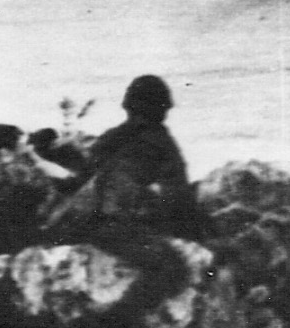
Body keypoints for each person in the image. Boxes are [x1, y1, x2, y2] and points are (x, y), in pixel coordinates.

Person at [29, 74, 203, 239]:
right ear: (163, 108)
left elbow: (83, 177)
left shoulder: (112, 137)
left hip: (94, 216)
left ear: (128, 106)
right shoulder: (162, 142)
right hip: (134, 221)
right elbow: (178, 194)